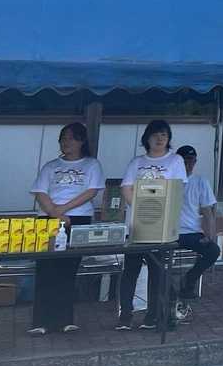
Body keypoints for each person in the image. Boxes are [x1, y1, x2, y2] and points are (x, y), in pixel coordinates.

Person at [27, 122, 103, 335]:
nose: (65, 142)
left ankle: (64, 319)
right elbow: (40, 192)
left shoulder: (91, 165)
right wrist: (54, 212)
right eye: (62, 138)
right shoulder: (50, 166)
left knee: (68, 269)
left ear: (81, 141)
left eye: (70, 138)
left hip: (77, 218)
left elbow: (91, 191)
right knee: (45, 268)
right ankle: (40, 321)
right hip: (48, 218)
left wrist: (64, 209)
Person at [115, 119, 186, 332]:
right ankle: (125, 315)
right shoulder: (137, 162)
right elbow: (126, 188)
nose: (159, 138)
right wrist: (141, 209)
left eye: (164, 134)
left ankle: (152, 315)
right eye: (155, 134)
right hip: (137, 225)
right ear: (147, 138)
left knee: (157, 272)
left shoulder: (175, 161)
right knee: (130, 270)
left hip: (161, 227)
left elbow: (177, 190)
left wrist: (157, 212)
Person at [173, 145, 219, 322]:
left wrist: (211, 235)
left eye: (191, 161)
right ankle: (169, 294)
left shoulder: (200, 181)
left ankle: (189, 279)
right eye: (185, 161)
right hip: (170, 232)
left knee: (213, 250)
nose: (188, 164)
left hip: (191, 232)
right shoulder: (170, 180)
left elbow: (208, 212)